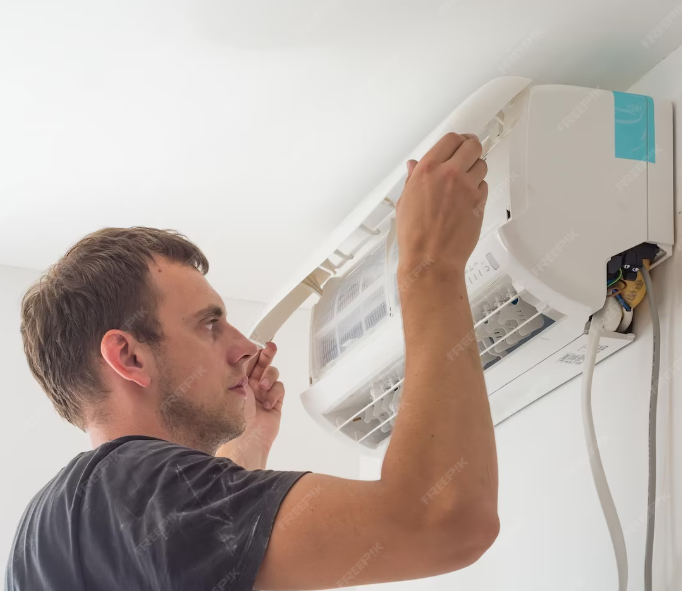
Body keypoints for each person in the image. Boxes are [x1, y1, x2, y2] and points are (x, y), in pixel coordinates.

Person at [5, 132, 499, 591]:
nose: (245, 347)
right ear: (130, 357)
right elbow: (444, 520)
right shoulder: (136, 487)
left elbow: (194, 550)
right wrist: (430, 264)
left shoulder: (42, 536)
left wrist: (250, 443)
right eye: (209, 324)